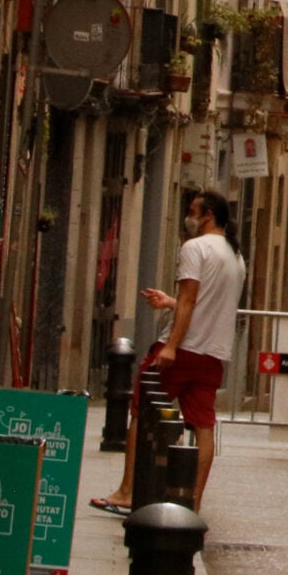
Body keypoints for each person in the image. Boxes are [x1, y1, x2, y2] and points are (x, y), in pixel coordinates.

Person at [94, 190, 247, 513]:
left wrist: (171, 346)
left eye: (192, 211)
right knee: (204, 425)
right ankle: (193, 501)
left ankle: (127, 490)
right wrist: (170, 302)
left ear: (207, 215)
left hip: (184, 347)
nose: (188, 217)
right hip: (214, 353)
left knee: (141, 409)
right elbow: (208, 305)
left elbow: (192, 301)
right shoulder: (235, 256)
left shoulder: (195, 248)